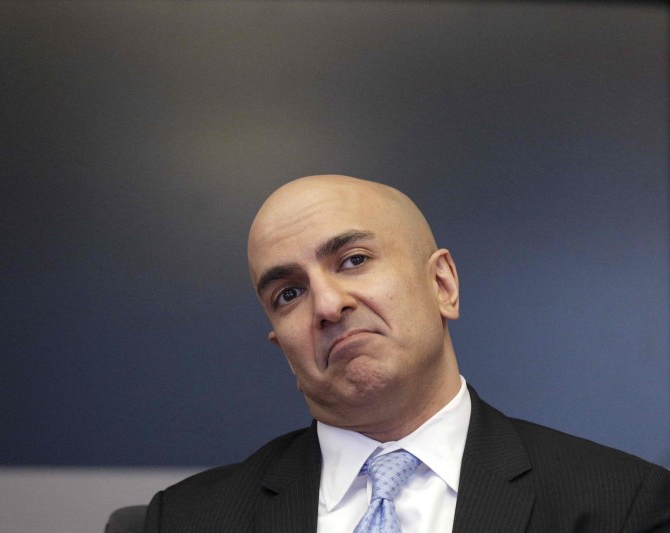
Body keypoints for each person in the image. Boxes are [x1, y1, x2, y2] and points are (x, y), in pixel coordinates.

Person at [139, 175, 670, 532]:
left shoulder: (621, 506)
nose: (326, 304)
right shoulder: (183, 520)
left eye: (353, 260)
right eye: (289, 294)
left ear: (442, 284)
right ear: (282, 346)